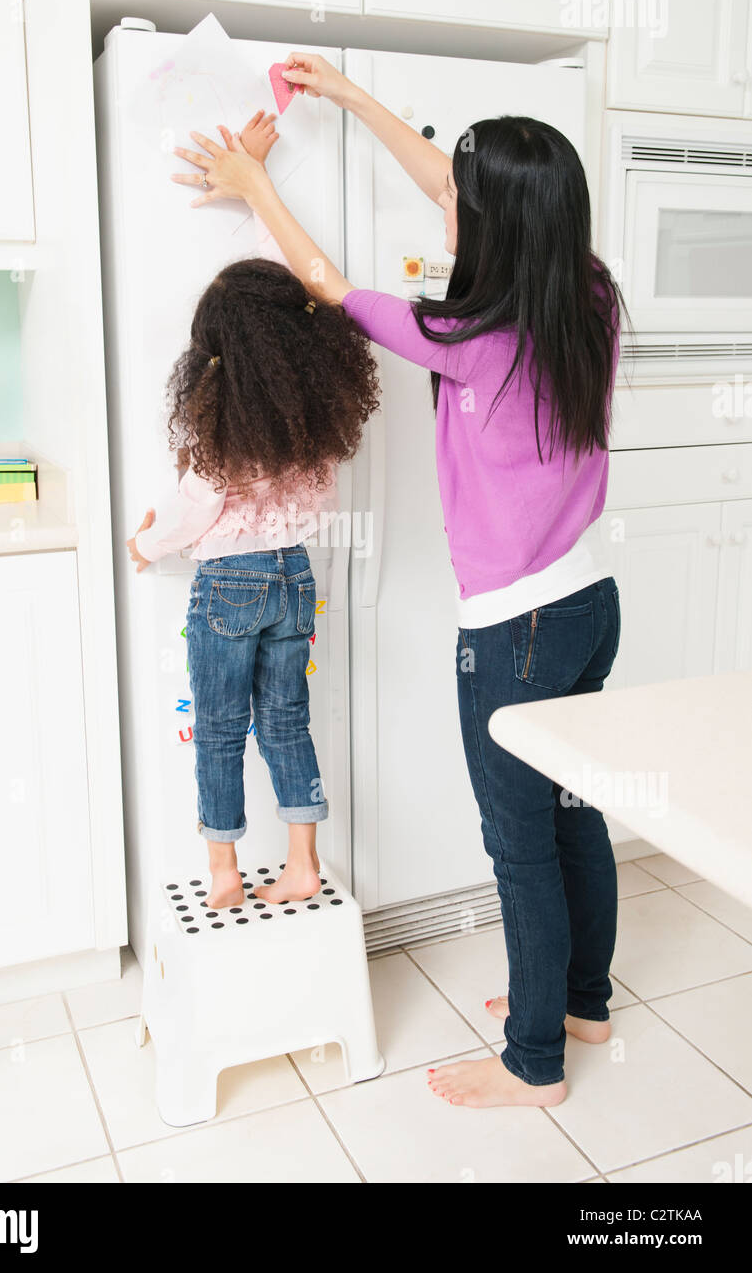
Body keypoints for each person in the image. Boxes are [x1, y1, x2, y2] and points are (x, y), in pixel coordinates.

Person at [171, 54, 623, 1110]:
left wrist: (253, 186)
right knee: (572, 811)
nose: (443, 198)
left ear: (494, 226)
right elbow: (448, 185)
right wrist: (351, 98)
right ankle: (580, 1002)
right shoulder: (583, 291)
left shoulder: (470, 340)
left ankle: (533, 1062)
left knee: (518, 841)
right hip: (589, 603)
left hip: (514, 626)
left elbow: (325, 283)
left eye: (460, 199)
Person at [127, 112, 379, 912]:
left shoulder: (224, 421)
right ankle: (303, 864)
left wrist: (144, 546)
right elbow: (286, 307)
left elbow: (195, 508)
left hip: (229, 588)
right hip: (294, 579)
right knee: (285, 722)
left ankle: (226, 874)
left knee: (220, 729)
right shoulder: (311, 413)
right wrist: (257, 179)